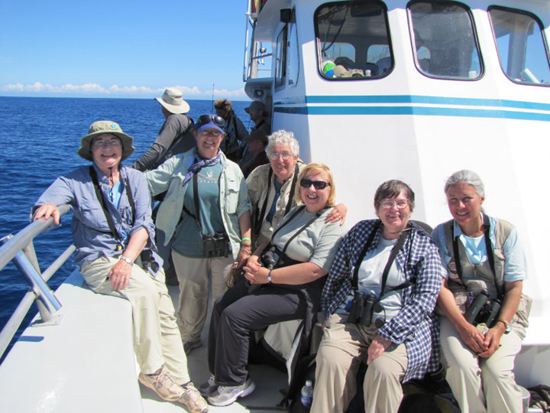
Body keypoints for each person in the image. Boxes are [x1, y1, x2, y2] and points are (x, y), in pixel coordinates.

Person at [32, 121, 208, 413]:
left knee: (165, 308)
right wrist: (47, 207)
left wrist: (126, 260)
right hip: (99, 260)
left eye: (112, 142)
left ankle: (183, 381)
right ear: (90, 151)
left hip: (134, 257)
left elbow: (143, 224)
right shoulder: (74, 181)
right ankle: (152, 371)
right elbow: (50, 199)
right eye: (99, 143)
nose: (107, 148)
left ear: (122, 150)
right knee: (145, 294)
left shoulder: (135, 179)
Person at [203, 163, 345, 407]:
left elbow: (316, 270)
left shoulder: (332, 222)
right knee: (220, 305)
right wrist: (255, 257)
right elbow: (271, 241)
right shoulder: (296, 212)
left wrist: (267, 277)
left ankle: (236, 381)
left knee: (234, 316)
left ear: (330, 189)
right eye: (306, 183)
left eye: (320, 184)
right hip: (271, 275)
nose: (312, 189)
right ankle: (220, 371)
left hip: (300, 290)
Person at [311, 180, 443, 413]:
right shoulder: (361, 232)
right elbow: (337, 277)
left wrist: (388, 335)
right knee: (331, 359)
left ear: (410, 208)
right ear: (377, 208)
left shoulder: (424, 246)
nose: (394, 209)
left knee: (383, 370)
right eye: (387, 203)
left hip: (401, 328)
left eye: (401, 203)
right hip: (352, 319)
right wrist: (327, 313)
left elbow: (425, 299)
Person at [145, 114, 252, 355]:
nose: (210, 137)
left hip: (224, 248)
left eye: (216, 133)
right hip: (186, 247)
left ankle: (222, 341)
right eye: (205, 132)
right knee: (191, 296)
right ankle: (190, 337)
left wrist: (246, 245)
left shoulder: (233, 170)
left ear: (223, 137)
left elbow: (244, 207)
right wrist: (113, 175)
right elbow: (147, 183)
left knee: (224, 299)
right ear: (196, 134)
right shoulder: (177, 164)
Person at [432, 170, 530, 413]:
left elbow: (514, 287)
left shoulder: (506, 232)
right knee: (461, 367)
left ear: (481, 198)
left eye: (467, 198)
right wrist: (464, 329)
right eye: (453, 200)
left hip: (502, 314)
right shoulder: (441, 234)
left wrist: (499, 328)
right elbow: (440, 286)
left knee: (496, 372)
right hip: (458, 314)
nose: (460, 206)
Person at [246, 130, 347, 247]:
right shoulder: (259, 175)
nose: (280, 160)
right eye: (274, 154)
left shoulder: (306, 177)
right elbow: (243, 206)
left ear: (295, 157)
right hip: (259, 244)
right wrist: (246, 244)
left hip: (287, 248)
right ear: (268, 157)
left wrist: (341, 207)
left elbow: (323, 200)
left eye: (285, 154)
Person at [132, 87, 195, 172]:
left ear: (165, 107)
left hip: (168, 172)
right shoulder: (187, 120)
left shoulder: (174, 119)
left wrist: (133, 169)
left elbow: (158, 149)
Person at [214, 98, 249, 163]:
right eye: (217, 110)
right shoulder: (213, 122)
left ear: (227, 110)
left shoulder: (235, 122)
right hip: (216, 154)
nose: (219, 112)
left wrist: (240, 149)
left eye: (221, 110)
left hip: (232, 155)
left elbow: (245, 136)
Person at [240, 101, 270, 166]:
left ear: (260, 113)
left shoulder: (263, 130)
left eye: (252, 110)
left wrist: (247, 165)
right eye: (250, 111)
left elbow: (260, 152)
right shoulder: (257, 128)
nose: (250, 113)